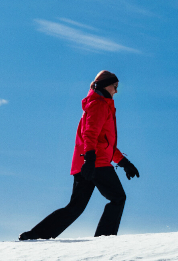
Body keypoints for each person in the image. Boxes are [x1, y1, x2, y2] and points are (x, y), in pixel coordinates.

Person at [19, 70, 140, 240]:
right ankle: (104, 239)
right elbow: (90, 134)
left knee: (75, 207)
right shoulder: (99, 105)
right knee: (118, 198)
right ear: (105, 85)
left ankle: (35, 235)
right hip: (96, 162)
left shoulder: (100, 104)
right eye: (115, 86)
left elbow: (105, 143)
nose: (116, 90)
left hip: (87, 162)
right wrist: (90, 159)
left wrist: (124, 162)